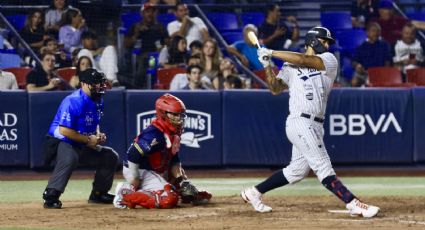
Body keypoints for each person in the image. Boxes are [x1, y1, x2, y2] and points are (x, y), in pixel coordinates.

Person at [240, 26, 380, 218]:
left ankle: (253, 193)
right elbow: (274, 88)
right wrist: (267, 65)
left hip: (316, 124)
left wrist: (272, 52)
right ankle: (353, 203)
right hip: (299, 122)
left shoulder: (328, 60)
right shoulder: (289, 66)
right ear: (313, 41)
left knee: (296, 171)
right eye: (325, 41)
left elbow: (305, 60)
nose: (328, 45)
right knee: (323, 166)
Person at [113, 93, 212, 209]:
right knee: (168, 199)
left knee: (190, 196)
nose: (179, 119)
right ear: (163, 114)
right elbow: (132, 153)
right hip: (139, 169)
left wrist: (182, 181)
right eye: (175, 115)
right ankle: (125, 194)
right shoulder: (155, 134)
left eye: (180, 115)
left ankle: (146, 188)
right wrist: (135, 179)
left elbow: (174, 160)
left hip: (156, 168)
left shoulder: (173, 133)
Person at [42, 68, 119, 209]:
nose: (99, 86)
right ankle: (51, 195)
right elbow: (64, 130)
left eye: (100, 83)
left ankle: (98, 194)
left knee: (109, 156)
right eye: (95, 83)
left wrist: (97, 135)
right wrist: (89, 140)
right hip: (60, 140)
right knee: (70, 157)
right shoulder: (73, 100)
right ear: (83, 84)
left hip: (80, 141)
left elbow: (94, 123)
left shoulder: (98, 100)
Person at [351, 22, 391, 87]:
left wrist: (384, 72)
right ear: (367, 32)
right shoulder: (361, 47)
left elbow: (388, 62)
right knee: (354, 81)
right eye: (373, 31)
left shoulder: (384, 45)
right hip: (364, 73)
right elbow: (354, 61)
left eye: (378, 31)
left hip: (380, 74)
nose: (376, 33)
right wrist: (357, 66)